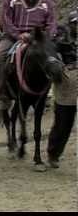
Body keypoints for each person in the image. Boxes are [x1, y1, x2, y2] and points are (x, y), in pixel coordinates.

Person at [0, 0, 58, 120]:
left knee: (56, 59)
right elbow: (6, 19)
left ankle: (50, 92)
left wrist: (46, 37)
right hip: (14, 37)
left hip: (38, 38)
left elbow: (52, 22)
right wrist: (18, 35)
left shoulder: (46, 0)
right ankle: (3, 96)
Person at [47, 9, 77, 168]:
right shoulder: (60, 38)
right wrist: (58, 67)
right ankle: (53, 152)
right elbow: (51, 55)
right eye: (75, 23)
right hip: (67, 79)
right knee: (64, 121)